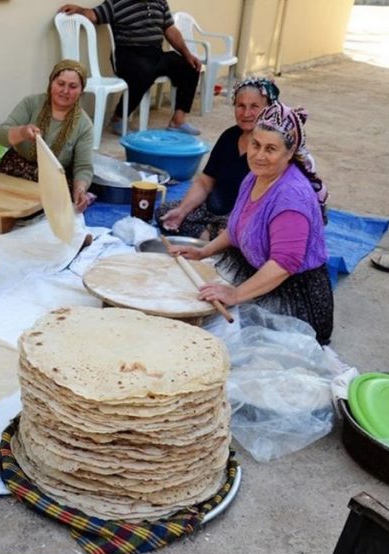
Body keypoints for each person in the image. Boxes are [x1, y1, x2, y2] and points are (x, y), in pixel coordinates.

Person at [171, 102, 333, 345]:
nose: (259, 155)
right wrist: (203, 251)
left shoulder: (292, 198)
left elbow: (283, 264)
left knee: (230, 344)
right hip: (260, 271)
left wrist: (236, 294)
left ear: (289, 153)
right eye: (255, 145)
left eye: (271, 149)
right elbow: (237, 228)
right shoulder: (254, 177)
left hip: (291, 296)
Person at [158, 77, 281, 239]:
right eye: (240, 106)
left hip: (242, 218)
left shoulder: (274, 146)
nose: (246, 114)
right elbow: (205, 182)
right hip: (212, 209)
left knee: (245, 235)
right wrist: (182, 211)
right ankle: (210, 238)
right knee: (166, 213)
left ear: (269, 109)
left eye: (254, 107)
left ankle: (214, 241)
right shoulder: (229, 136)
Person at [59, 1, 203, 135]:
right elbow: (94, 14)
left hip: (155, 53)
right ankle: (118, 117)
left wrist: (188, 54)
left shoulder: (160, 2)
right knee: (144, 72)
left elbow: (170, 29)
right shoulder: (118, 2)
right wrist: (79, 10)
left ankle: (177, 121)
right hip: (128, 54)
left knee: (190, 67)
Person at [0, 59, 96, 212]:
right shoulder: (31, 104)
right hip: (14, 172)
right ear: (51, 83)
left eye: (73, 86)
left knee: (42, 216)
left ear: (81, 90)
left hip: (52, 182)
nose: (65, 91)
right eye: (60, 84)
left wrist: (80, 190)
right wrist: (22, 132)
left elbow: (83, 167)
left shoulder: (84, 125)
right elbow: (0, 135)